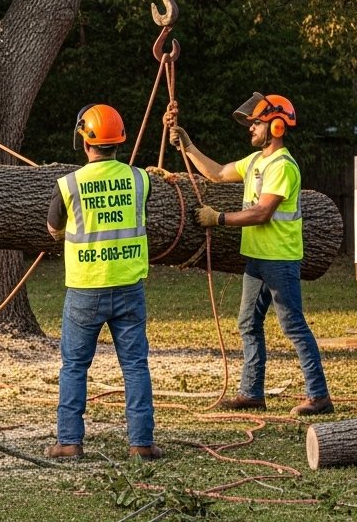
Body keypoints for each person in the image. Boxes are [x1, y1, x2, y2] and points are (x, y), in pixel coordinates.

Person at [171, 92, 333, 416]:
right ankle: (251, 393)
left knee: (293, 326)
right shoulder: (256, 161)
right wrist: (187, 145)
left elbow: (262, 213)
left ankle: (319, 396)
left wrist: (218, 218)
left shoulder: (283, 166)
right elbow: (216, 173)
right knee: (247, 323)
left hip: (279, 259)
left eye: (255, 123)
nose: (250, 129)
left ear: (276, 126)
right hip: (257, 259)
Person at [46, 104, 161, 460]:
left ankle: (69, 442)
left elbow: (53, 229)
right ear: (119, 142)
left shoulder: (68, 184)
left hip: (85, 288)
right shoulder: (141, 179)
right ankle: (141, 444)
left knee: (75, 366)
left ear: (85, 142)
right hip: (129, 286)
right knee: (135, 365)